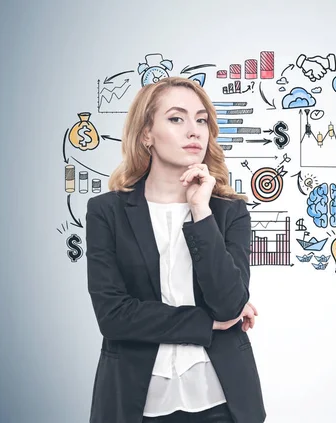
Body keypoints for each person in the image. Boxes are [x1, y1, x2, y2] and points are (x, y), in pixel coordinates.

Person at [85, 76, 266, 423]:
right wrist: (208, 323)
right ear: (146, 134)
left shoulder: (229, 212)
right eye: (176, 118)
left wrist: (201, 211)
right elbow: (113, 317)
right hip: (134, 403)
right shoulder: (106, 212)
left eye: (201, 120)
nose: (194, 131)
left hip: (223, 402)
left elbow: (230, 302)